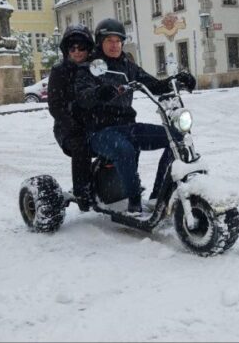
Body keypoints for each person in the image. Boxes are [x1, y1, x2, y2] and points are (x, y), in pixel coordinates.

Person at [76, 18, 196, 214]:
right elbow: (83, 96)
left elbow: (154, 84)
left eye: (118, 41)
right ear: (100, 42)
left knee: (176, 138)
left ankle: (158, 195)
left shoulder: (127, 65)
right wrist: (99, 92)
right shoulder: (89, 67)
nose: (115, 45)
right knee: (124, 149)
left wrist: (177, 80)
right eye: (109, 41)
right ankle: (134, 200)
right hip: (100, 131)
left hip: (128, 127)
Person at [47, 24, 95, 212]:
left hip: (94, 123)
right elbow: (55, 106)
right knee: (81, 145)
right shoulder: (59, 71)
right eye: (72, 48)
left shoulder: (95, 67)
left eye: (81, 47)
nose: (77, 52)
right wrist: (72, 124)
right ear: (66, 50)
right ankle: (82, 191)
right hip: (67, 127)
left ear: (88, 48)